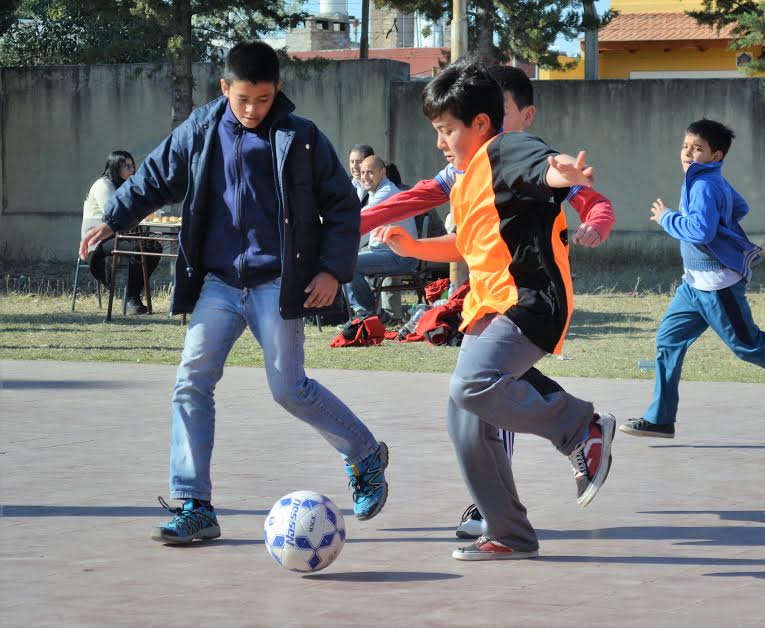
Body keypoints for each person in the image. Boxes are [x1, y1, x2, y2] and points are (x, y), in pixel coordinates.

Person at [79, 40, 389, 544]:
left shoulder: (301, 138)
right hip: (219, 284)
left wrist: (332, 270)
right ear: (225, 89)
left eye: (263, 100)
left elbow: (341, 207)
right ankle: (194, 504)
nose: (252, 110)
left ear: (277, 91)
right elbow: (156, 176)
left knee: (289, 389)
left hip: (276, 284)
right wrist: (113, 218)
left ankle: (364, 452)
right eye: (243, 99)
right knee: (191, 382)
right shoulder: (201, 130)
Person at [361, 63, 618, 540]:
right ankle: (508, 532)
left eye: (446, 131)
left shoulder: (507, 147)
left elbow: (544, 166)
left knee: (472, 385)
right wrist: (413, 248)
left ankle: (580, 427)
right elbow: (468, 245)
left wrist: (564, 175)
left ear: (481, 123)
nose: (439, 142)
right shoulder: (468, 176)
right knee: (464, 418)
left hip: (528, 302)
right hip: (490, 304)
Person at [621, 119, 765, 440]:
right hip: (693, 286)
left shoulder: (704, 185)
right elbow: (738, 206)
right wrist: (720, 220)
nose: (687, 152)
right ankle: (660, 418)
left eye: (697, 148)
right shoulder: (705, 180)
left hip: (716, 284)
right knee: (668, 340)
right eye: (685, 146)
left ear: (716, 155)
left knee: (748, 346)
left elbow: (700, 230)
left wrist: (667, 218)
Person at [82, 150, 159, 315]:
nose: (132, 170)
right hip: (98, 241)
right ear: (116, 167)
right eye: (127, 166)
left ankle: (132, 295)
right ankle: (130, 299)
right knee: (138, 248)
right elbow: (115, 215)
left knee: (154, 246)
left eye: (133, 166)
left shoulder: (125, 186)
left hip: (119, 236)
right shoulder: (103, 185)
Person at [343, 155, 418, 319]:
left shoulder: (387, 192)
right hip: (387, 252)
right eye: (362, 173)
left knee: (348, 265)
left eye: (370, 172)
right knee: (344, 260)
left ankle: (371, 313)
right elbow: (365, 230)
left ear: (383, 172)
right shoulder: (375, 192)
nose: (364, 177)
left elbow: (362, 217)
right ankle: (364, 313)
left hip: (400, 256)